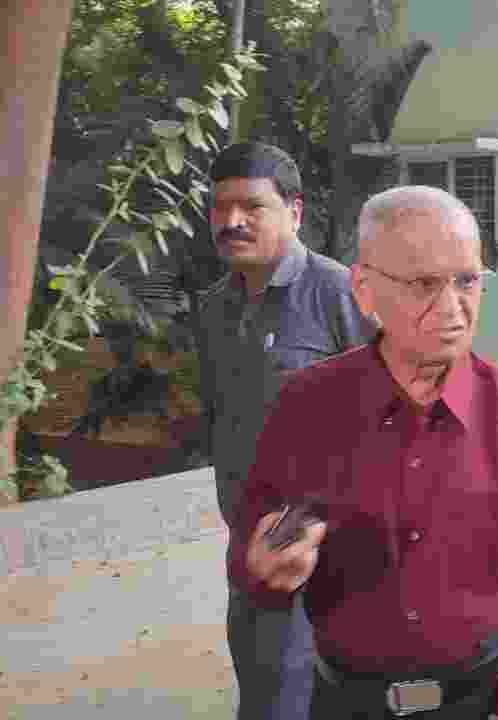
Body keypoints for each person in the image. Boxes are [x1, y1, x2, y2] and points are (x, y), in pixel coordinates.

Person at [231, 185, 498, 720]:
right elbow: (254, 543)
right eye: (425, 284)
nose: (453, 308)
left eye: (468, 280)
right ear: (363, 290)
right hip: (347, 704)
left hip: (486, 701)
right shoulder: (306, 406)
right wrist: (263, 571)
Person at [195, 141, 374, 720]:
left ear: (295, 212)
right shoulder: (214, 309)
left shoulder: (340, 293)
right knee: (261, 694)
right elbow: (221, 417)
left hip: (328, 554)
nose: (232, 221)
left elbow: (391, 417)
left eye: (251, 205)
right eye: (220, 207)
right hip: (248, 546)